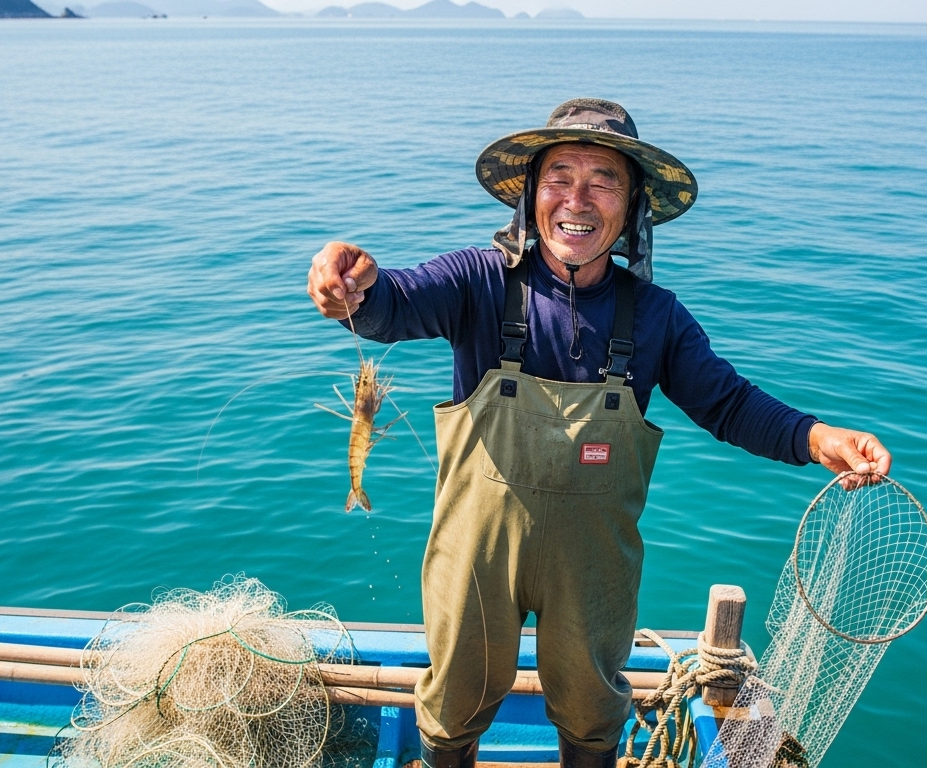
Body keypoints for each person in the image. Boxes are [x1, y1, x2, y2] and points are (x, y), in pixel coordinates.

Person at [307, 99, 891, 768]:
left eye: (603, 179)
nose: (576, 199)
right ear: (530, 195)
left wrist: (818, 438)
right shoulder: (476, 283)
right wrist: (354, 283)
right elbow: (395, 304)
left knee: (592, 714)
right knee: (454, 701)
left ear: (632, 207)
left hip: (594, 568)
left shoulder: (657, 318)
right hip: (474, 557)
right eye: (559, 175)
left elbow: (727, 403)